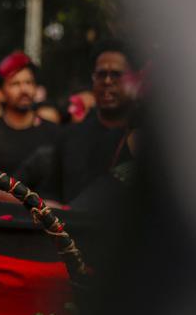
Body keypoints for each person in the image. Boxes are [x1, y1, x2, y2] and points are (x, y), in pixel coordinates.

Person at [0, 51, 62, 201]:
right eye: (15, 84)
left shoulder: (54, 132)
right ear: (0, 93)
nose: (24, 89)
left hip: (48, 219)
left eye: (28, 83)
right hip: (1, 218)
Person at [57, 40, 138, 204]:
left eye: (116, 74)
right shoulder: (69, 136)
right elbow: (51, 192)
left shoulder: (143, 139)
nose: (107, 81)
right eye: (101, 74)